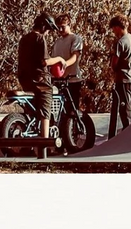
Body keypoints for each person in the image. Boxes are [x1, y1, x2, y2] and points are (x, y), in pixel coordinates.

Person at [17, 13, 69, 148]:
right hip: (40, 79)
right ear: (43, 26)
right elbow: (45, 62)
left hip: (25, 79)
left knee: (34, 108)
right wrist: (59, 59)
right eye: (48, 30)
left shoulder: (24, 39)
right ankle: (44, 146)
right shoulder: (39, 38)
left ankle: (31, 138)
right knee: (46, 108)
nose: (47, 33)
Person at [107, 14, 131, 137]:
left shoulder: (120, 42)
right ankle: (128, 133)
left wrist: (116, 69)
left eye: (113, 29)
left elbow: (114, 63)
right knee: (128, 105)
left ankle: (130, 135)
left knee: (125, 110)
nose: (113, 32)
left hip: (122, 80)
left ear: (117, 27)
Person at [52, 13, 86, 115]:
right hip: (59, 80)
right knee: (62, 109)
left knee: (72, 110)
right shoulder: (57, 42)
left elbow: (75, 56)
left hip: (72, 79)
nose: (60, 30)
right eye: (58, 27)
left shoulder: (75, 38)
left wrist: (65, 64)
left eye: (63, 27)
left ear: (69, 25)